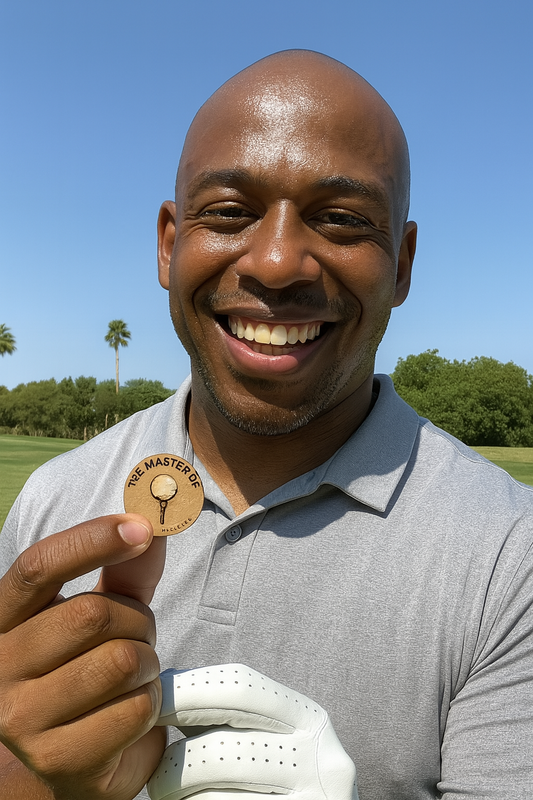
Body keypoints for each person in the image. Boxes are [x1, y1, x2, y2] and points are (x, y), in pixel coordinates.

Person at [1, 49, 533, 800]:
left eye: (342, 220)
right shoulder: (54, 505)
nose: (279, 262)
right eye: (227, 212)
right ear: (167, 241)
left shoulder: (510, 559)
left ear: (402, 265)